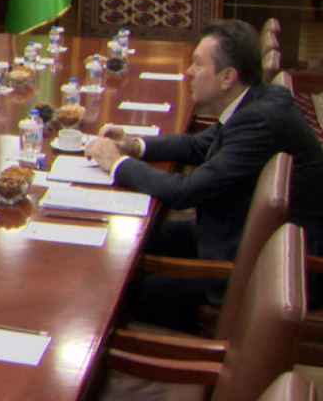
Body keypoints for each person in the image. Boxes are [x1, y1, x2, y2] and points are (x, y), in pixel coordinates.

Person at [86, 19, 323, 332]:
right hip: (240, 234)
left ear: (227, 77)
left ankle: (187, 345)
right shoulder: (256, 101)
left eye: (198, 64)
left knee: (128, 294)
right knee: (133, 237)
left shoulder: (259, 122)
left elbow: (185, 191)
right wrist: (134, 145)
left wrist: (117, 164)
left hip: (273, 270)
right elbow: (199, 146)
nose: (189, 72)